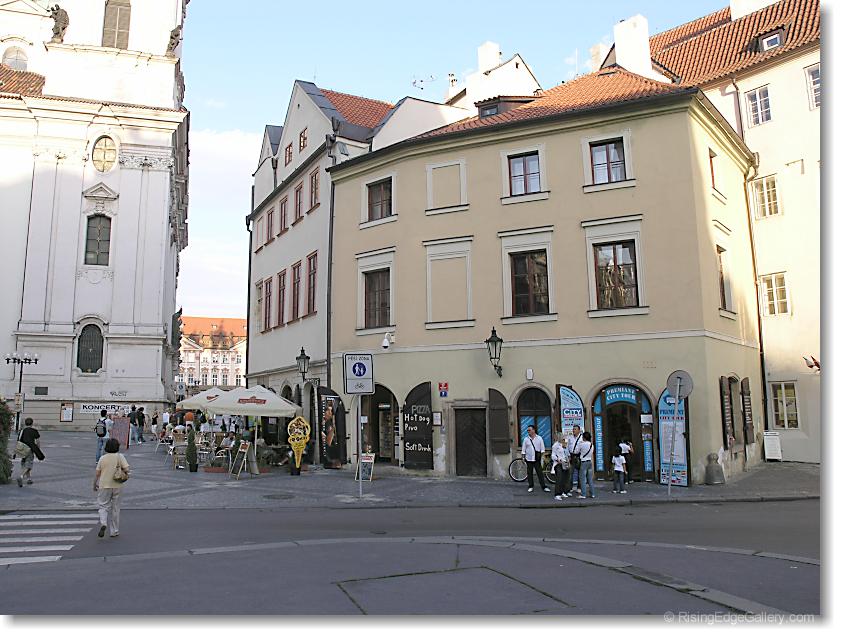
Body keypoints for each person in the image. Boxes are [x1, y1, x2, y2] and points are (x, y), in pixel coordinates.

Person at [93, 438, 129, 538]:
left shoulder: (102, 458)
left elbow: (97, 473)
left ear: (106, 447)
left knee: (103, 506)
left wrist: (94, 484)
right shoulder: (120, 456)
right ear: (117, 447)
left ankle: (103, 523)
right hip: (117, 485)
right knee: (115, 508)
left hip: (104, 485)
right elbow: (127, 469)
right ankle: (114, 531)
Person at [15, 418, 44, 487]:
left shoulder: (22, 431)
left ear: (25, 423)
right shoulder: (34, 431)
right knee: (29, 465)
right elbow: (38, 442)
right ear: (32, 423)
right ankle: (21, 477)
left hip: (22, 449)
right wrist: (38, 451)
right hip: (30, 450)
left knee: (24, 464)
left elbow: (18, 440)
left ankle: (29, 479)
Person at [521, 425, 549, 493]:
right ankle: (531, 486)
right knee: (529, 473)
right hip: (529, 459)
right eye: (527, 430)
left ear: (534, 430)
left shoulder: (539, 438)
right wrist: (523, 457)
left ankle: (544, 486)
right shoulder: (526, 439)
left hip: (537, 459)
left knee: (540, 473)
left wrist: (542, 458)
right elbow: (523, 449)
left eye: (529, 430)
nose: (528, 431)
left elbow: (542, 449)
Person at [551, 433, 571, 501]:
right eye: (562, 437)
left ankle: (563, 492)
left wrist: (568, 459)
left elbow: (566, 453)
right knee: (559, 479)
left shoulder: (564, 444)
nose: (563, 438)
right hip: (558, 464)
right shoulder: (555, 445)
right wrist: (557, 459)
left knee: (565, 479)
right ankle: (557, 494)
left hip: (565, 463)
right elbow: (553, 455)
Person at [575, 432, 595, 499]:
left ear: (584, 437)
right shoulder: (591, 445)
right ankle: (592, 494)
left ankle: (583, 494)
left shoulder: (581, 444)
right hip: (589, 462)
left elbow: (576, 451)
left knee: (583, 479)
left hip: (583, 462)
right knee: (590, 479)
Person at [566, 426, 583, 495]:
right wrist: (568, 455)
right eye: (573, 429)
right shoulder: (570, 438)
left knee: (580, 472)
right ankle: (569, 487)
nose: (573, 430)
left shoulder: (582, 438)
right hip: (572, 456)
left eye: (575, 429)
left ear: (579, 430)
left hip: (579, 456)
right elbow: (567, 447)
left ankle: (579, 487)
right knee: (570, 472)